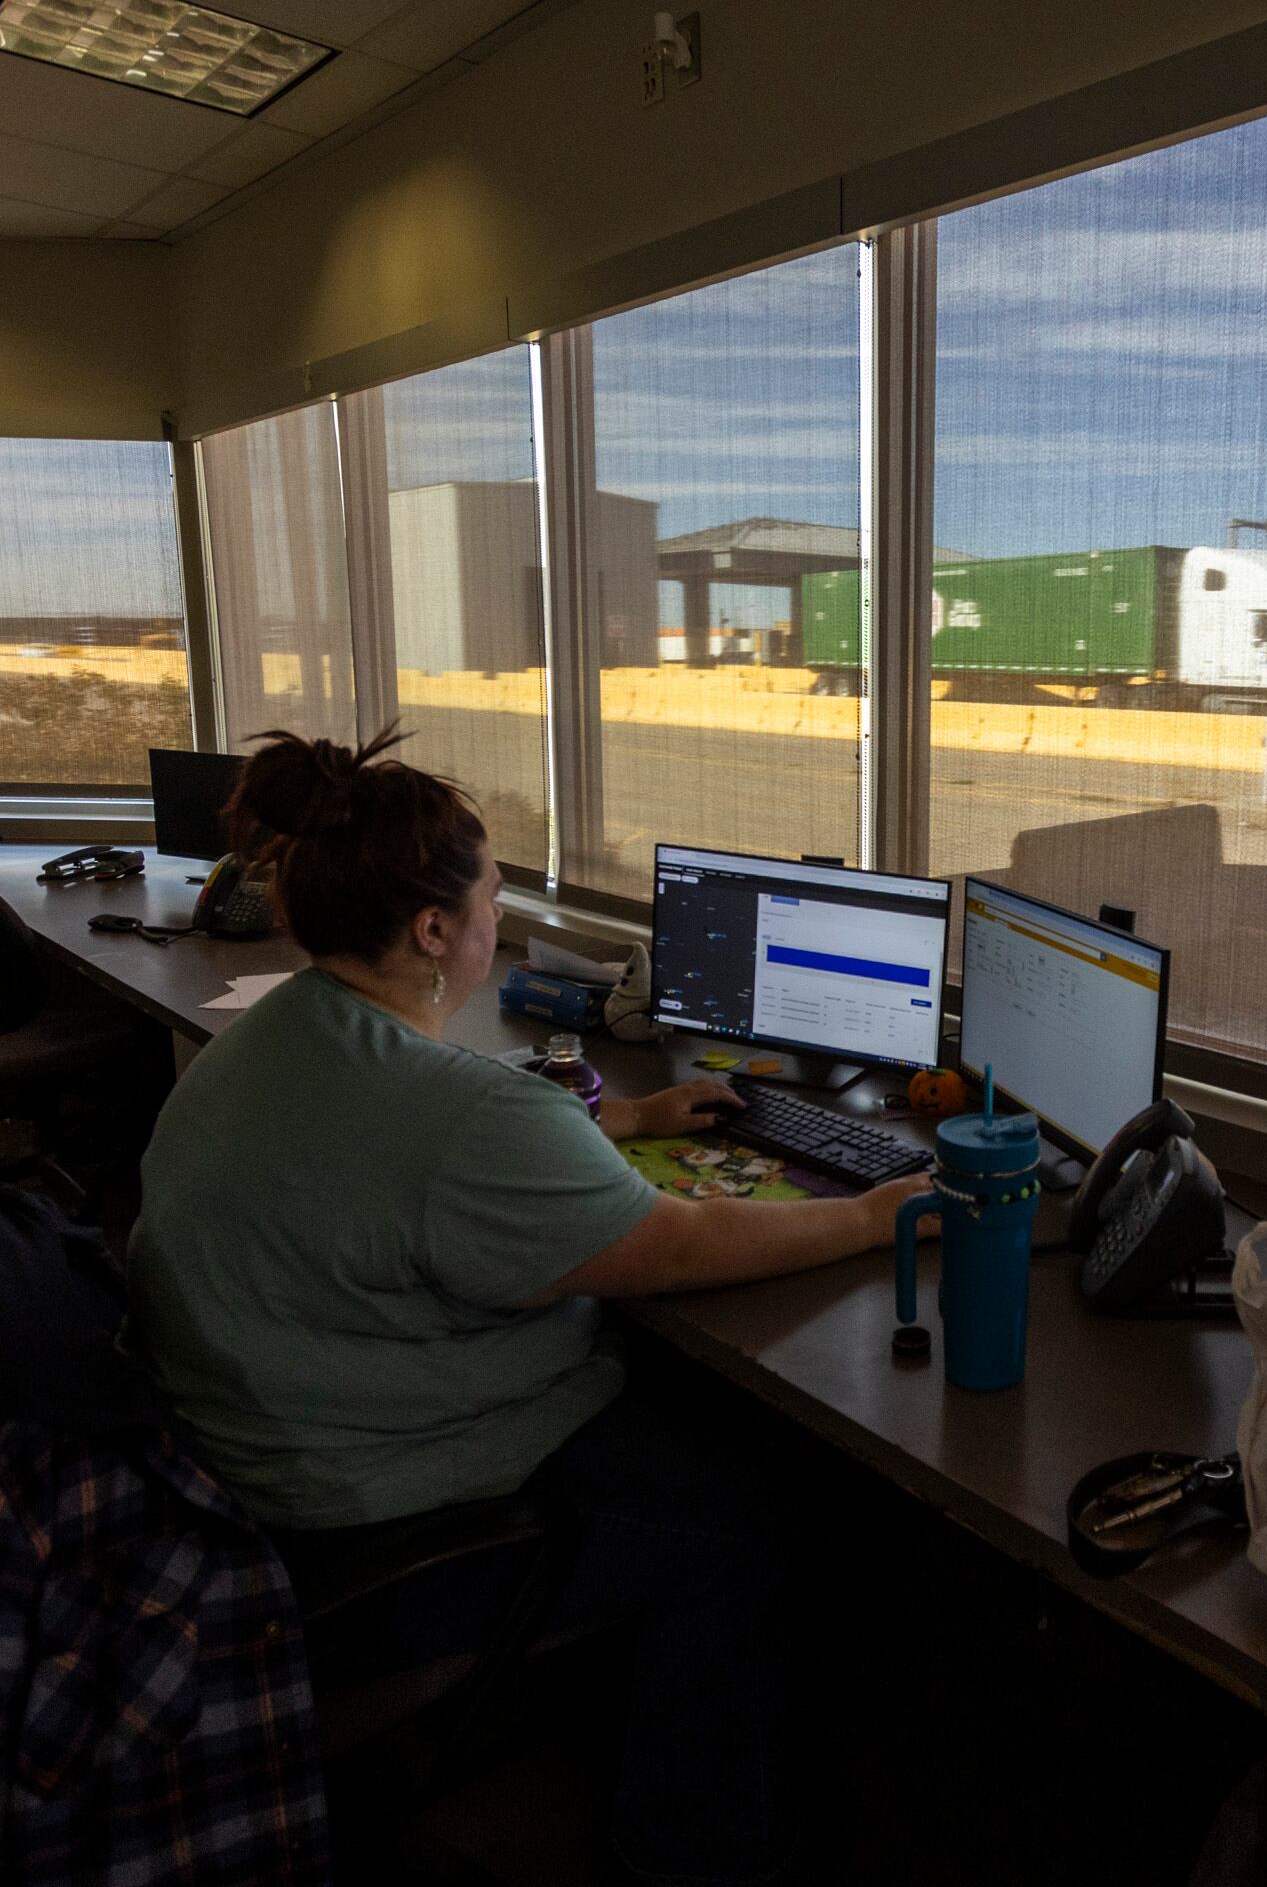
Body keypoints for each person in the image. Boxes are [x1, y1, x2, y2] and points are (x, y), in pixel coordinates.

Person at [126, 726, 928, 1887]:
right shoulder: (459, 1118)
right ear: (435, 929)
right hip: (363, 1524)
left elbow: (409, 1136)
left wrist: (630, 1119)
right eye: (495, 892)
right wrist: (873, 1215)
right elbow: (674, 1239)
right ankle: (692, 1849)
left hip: (232, 1465)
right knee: (746, 1521)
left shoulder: (265, 1043)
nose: (504, 914)